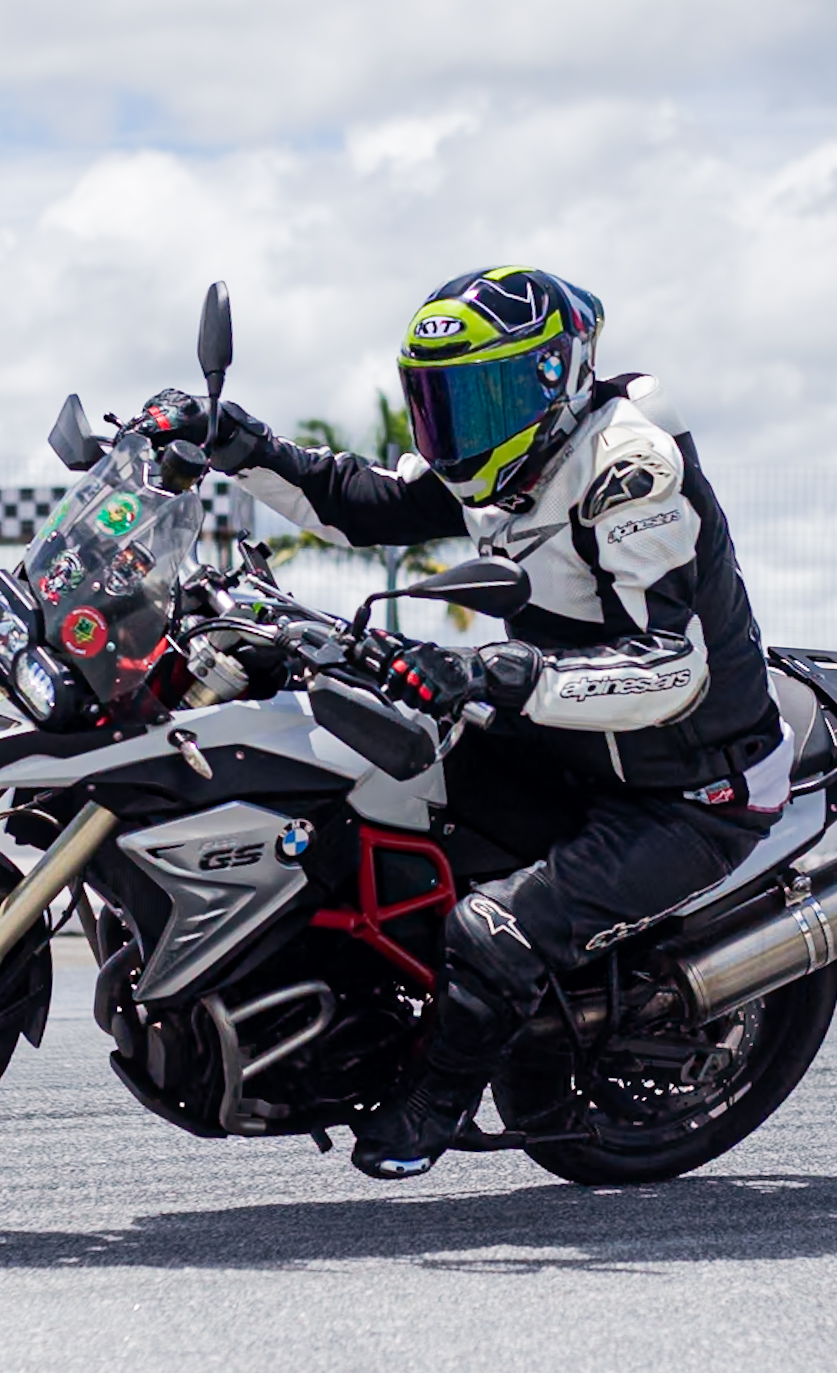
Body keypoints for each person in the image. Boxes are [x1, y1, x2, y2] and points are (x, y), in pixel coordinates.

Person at [150, 267, 791, 1179]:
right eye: (443, 401)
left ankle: (431, 1104)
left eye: (485, 396)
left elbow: (669, 670)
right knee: (358, 799)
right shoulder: (508, 458)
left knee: (493, 930)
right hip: (559, 747)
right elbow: (361, 501)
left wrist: (494, 672)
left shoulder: (629, 471)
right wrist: (239, 446)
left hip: (687, 785)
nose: (461, 425)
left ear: (554, 377)